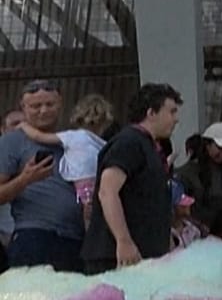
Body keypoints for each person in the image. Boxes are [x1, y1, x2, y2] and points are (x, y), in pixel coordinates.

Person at [81, 84, 181, 274]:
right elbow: (108, 191)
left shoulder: (150, 146)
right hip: (116, 256)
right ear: (151, 113)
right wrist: (123, 240)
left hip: (145, 255)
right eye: (172, 112)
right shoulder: (129, 142)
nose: (176, 119)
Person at [0, 80, 83, 271]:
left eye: (49, 104)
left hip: (75, 237)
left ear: (60, 104)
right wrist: (25, 179)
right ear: (23, 108)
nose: (43, 111)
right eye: (36, 106)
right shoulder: (11, 142)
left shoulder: (72, 139)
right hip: (34, 235)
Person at [17, 93, 113, 229]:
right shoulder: (101, 143)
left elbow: (39, 136)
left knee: (87, 217)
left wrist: (24, 126)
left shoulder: (72, 136)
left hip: (83, 183)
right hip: (99, 183)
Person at [178, 122, 222, 229]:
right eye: (220, 148)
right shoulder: (188, 172)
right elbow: (182, 208)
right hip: (198, 228)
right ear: (207, 145)